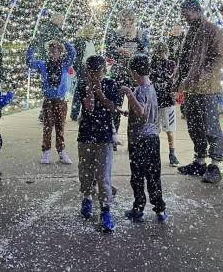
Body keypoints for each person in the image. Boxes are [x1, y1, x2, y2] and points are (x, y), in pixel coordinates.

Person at [176, 0, 223, 184]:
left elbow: (219, 59)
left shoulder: (212, 30)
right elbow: (185, 59)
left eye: (187, 14)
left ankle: (215, 164)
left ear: (197, 11)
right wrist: (180, 78)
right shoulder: (191, 31)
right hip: (191, 88)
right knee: (194, 125)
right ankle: (199, 161)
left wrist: (201, 75)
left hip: (208, 88)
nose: (185, 17)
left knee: (210, 125)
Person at [76, 55, 123, 232]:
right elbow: (87, 107)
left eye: (98, 72)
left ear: (104, 71)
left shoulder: (111, 85)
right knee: (85, 171)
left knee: (103, 175)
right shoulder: (82, 85)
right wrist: (90, 89)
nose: (95, 75)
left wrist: (100, 92)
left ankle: (105, 209)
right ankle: (87, 198)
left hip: (104, 136)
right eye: (91, 72)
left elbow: (112, 108)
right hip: (86, 135)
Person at [122, 55, 168, 224]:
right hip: (153, 138)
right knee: (154, 176)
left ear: (134, 72)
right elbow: (145, 111)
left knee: (138, 176)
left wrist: (128, 94)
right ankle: (160, 210)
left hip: (140, 140)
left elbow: (141, 111)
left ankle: (138, 209)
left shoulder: (140, 90)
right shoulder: (151, 88)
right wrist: (129, 112)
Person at [26, 38, 77, 164]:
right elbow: (29, 62)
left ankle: (61, 152)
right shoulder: (43, 65)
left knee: (60, 127)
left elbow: (73, 53)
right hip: (49, 101)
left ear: (60, 52)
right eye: (50, 51)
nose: (52, 54)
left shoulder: (64, 64)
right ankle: (46, 152)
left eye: (55, 51)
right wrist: (32, 46)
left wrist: (64, 41)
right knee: (48, 127)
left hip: (60, 101)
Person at [106, 9, 149, 143]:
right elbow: (109, 50)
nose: (125, 23)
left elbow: (146, 52)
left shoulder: (140, 34)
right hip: (119, 73)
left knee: (136, 105)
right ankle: (114, 136)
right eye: (123, 20)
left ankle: (134, 137)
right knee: (116, 104)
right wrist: (118, 50)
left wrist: (134, 54)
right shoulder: (115, 34)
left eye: (128, 20)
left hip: (134, 74)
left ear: (132, 20)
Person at [150, 42, 179, 166]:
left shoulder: (169, 63)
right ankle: (166, 154)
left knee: (165, 129)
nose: (161, 55)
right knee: (160, 129)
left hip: (163, 101)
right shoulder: (153, 64)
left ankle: (170, 154)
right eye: (159, 53)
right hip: (159, 101)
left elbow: (174, 78)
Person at [70, 24, 97, 121]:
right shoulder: (81, 42)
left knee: (86, 90)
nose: (91, 34)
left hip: (90, 69)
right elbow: (78, 57)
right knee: (80, 90)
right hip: (84, 69)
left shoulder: (90, 42)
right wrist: (78, 68)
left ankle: (82, 112)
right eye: (90, 32)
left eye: (92, 32)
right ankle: (75, 113)